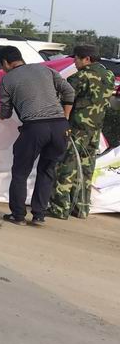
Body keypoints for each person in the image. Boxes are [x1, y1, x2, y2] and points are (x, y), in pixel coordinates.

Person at [0, 46, 74, 226]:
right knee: (47, 170)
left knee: (20, 171)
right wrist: (64, 117)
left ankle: (18, 215)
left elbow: (6, 112)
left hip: (35, 128)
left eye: (2, 65)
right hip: (60, 128)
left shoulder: (7, 80)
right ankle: (39, 215)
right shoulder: (45, 69)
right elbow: (69, 91)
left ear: (6, 62)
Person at [49, 45, 115, 219]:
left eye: (76, 59)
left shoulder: (80, 77)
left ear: (87, 59)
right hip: (95, 130)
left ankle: (59, 208)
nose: (75, 63)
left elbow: (64, 100)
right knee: (86, 169)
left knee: (66, 167)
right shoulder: (109, 75)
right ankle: (81, 208)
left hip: (76, 129)